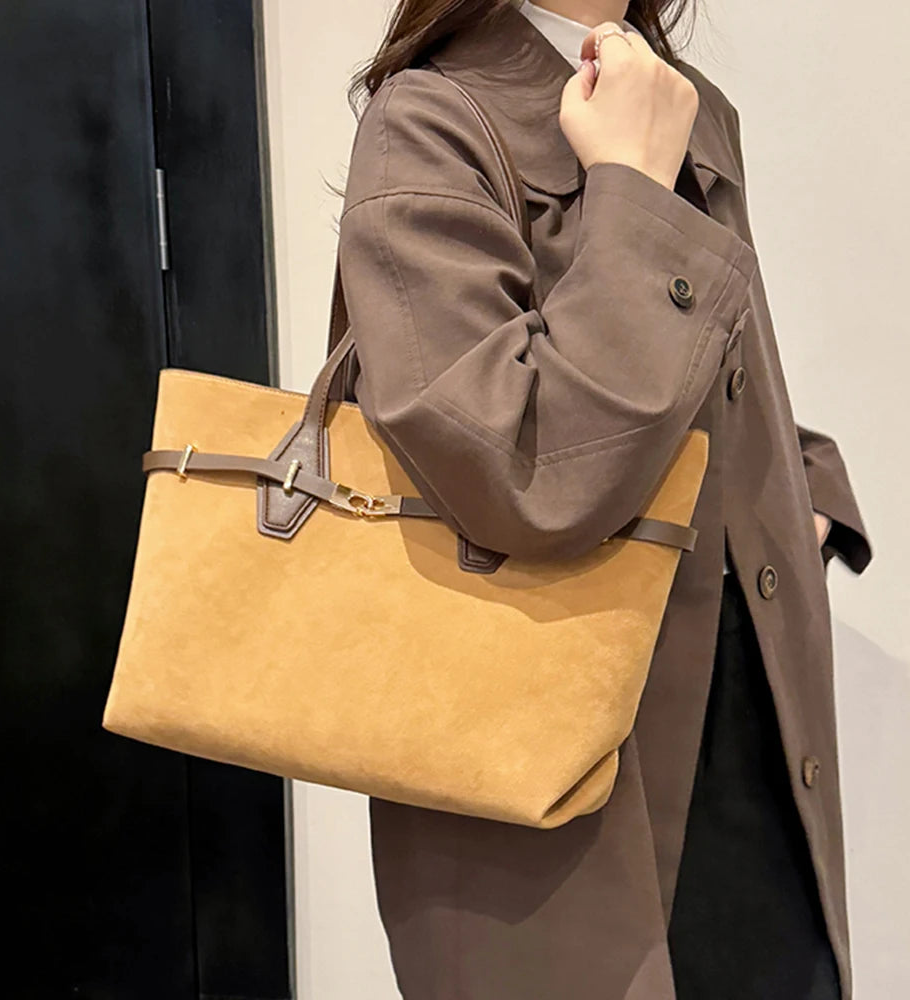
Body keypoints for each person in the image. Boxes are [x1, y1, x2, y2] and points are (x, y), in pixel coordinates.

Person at [333, 1, 874, 997]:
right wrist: (625, 181)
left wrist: (812, 493)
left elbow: (709, 385)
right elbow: (519, 469)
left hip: (748, 722)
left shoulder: (685, 104)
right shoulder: (430, 119)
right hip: (562, 769)